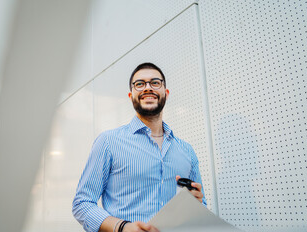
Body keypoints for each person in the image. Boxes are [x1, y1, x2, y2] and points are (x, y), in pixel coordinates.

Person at [72, 63, 207, 232]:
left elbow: (201, 207)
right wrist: (122, 227)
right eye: (140, 84)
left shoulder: (187, 151)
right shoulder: (108, 142)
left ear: (166, 93)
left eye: (155, 83)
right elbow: (82, 203)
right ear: (131, 95)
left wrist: (196, 204)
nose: (148, 88)